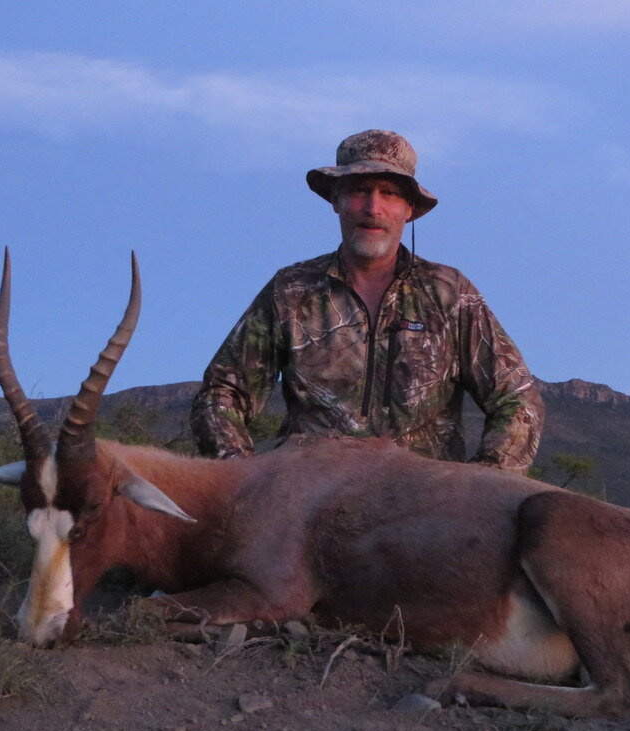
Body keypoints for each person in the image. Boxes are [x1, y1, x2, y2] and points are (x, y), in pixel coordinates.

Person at [191, 129, 544, 473]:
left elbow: (518, 400)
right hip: (307, 498)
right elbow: (222, 393)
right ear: (336, 201)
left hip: (426, 505)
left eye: (389, 193)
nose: (373, 207)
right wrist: (246, 479)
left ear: (409, 209)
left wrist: (484, 486)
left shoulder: (449, 292)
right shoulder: (291, 290)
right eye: (359, 191)